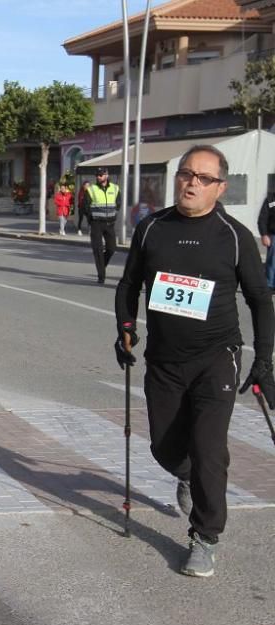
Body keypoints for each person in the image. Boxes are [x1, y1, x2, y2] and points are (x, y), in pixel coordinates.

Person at [115, 145, 275, 578]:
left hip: (216, 358)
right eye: (186, 174)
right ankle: (186, 474)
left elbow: (261, 300)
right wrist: (125, 327)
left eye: (203, 178)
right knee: (166, 448)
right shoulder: (152, 228)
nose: (192, 183)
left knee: (209, 449)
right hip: (164, 360)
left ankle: (204, 537)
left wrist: (264, 360)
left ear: (220, 187)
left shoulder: (233, 235)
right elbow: (128, 285)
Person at [84, 167, 121, 284]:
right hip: (96, 223)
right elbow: (85, 206)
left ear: (106, 175)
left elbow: (118, 203)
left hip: (110, 223)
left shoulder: (115, 188)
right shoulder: (91, 189)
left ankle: (101, 266)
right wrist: (91, 219)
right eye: (97, 175)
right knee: (98, 249)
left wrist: (113, 214)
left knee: (111, 248)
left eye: (101, 175)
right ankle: (101, 276)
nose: (98, 177)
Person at [255, 189, 275, 290]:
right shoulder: (271, 200)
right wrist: (264, 234)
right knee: (273, 261)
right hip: (273, 235)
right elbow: (262, 218)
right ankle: (270, 285)